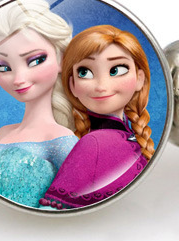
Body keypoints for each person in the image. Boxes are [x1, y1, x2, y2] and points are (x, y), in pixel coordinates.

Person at [0, 0, 78, 208]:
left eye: (35, 60)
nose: (18, 79)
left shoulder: (62, 141)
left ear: (61, 58)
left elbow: (74, 200)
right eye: (4, 66)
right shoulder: (1, 134)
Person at [40, 25, 155, 210]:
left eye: (117, 70)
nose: (101, 86)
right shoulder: (93, 143)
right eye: (85, 72)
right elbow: (52, 211)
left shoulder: (128, 137)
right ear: (72, 85)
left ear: (139, 78)